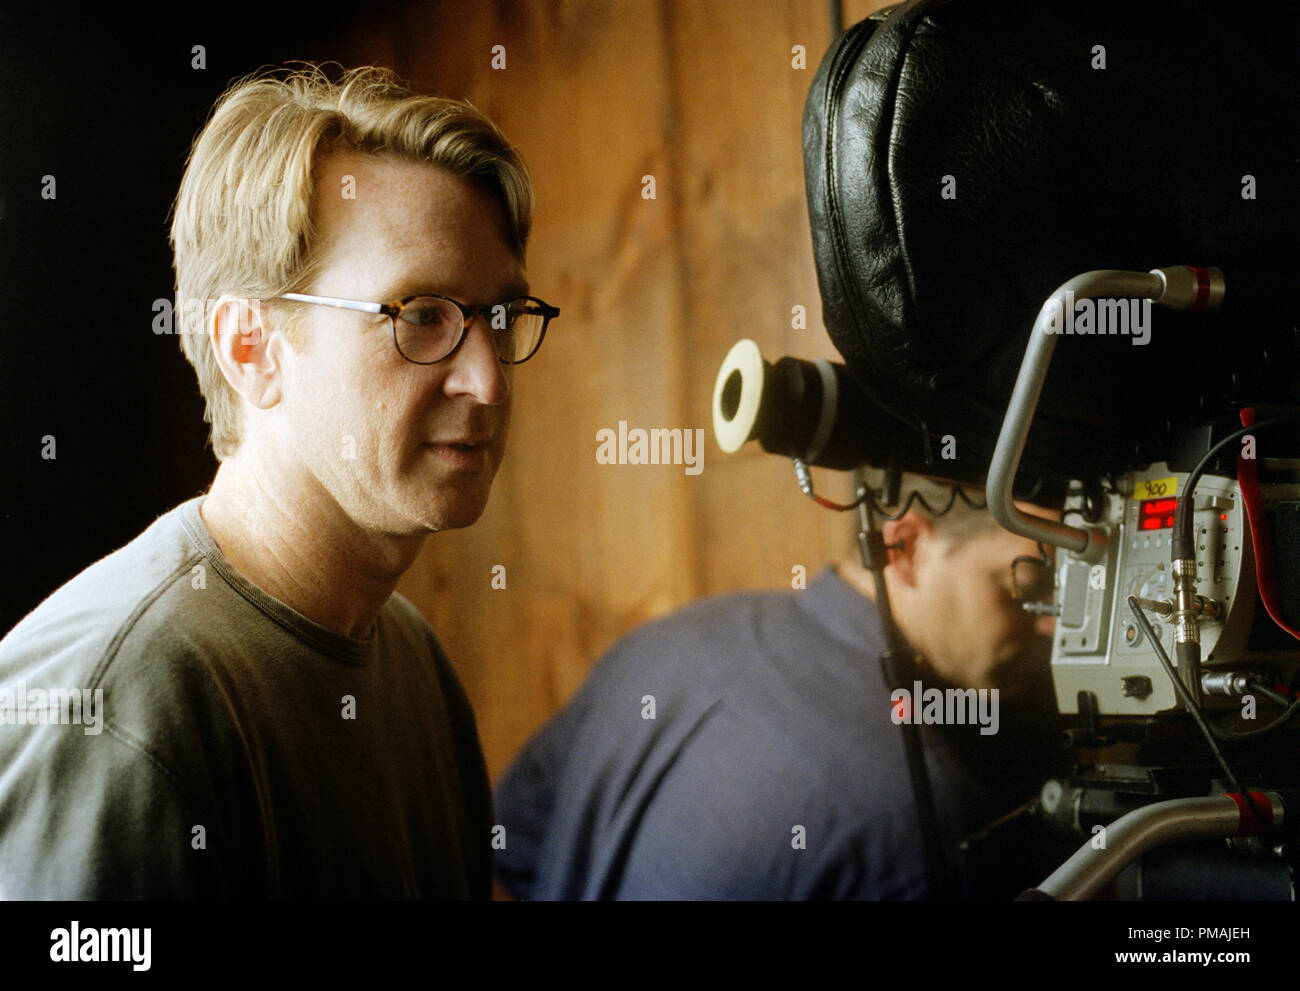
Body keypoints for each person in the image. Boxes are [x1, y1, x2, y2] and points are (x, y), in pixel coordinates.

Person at [0, 65, 558, 898]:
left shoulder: (410, 658)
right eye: (421, 315)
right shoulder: (114, 709)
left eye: (502, 316)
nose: (489, 380)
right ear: (251, 347)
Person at [493, 476, 1069, 899]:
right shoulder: (921, 807)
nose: (1054, 620)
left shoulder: (669, 639)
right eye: (1029, 580)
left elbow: (514, 843)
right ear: (906, 546)